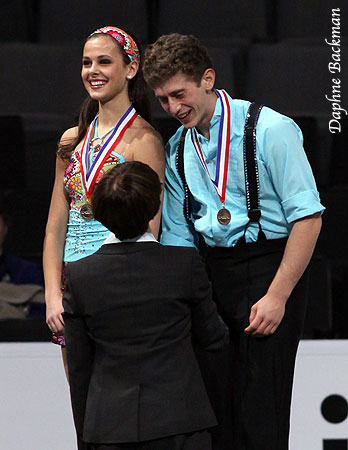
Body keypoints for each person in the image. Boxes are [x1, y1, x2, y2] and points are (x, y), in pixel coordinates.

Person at [143, 33, 325, 450]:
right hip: (210, 274)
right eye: (163, 100)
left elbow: (309, 219)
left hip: (270, 267)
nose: (173, 108)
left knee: (261, 410)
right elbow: (178, 238)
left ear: (207, 79)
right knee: (216, 411)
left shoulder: (271, 129)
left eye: (179, 94)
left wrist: (278, 296)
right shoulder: (175, 150)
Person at [62, 161, 229, 450]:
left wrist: (86, 436)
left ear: (100, 212)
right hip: (182, 423)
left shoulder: (80, 276)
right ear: (155, 206)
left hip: (109, 429)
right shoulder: (184, 265)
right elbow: (214, 340)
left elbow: (79, 368)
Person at [43, 26, 164, 370]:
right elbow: (55, 228)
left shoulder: (144, 141)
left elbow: (150, 230)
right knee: (81, 407)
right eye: (86, 62)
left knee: (117, 402)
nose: (92, 71)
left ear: (130, 68)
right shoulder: (70, 141)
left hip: (119, 288)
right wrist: (53, 296)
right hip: (72, 288)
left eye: (104, 62)